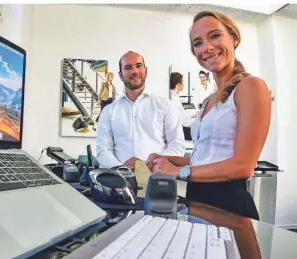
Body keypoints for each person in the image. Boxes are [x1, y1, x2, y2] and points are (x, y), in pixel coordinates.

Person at [146, 11, 271, 220]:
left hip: (228, 205)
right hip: (198, 200)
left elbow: (243, 166)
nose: (207, 47)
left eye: (214, 36)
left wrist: (178, 172)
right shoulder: (208, 101)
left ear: (234, 38)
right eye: (198, 43)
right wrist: (169, 160)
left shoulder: (250, 86)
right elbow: (203, 160)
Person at [96, 51, 186, 169]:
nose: (134, 71)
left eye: (139, 66)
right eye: (128, 68)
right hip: (120, 181)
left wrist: (145, 166)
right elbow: (103, 150)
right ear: (120, 75)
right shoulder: (109, 111)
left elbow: (177, 146)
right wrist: (122, 170)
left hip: (158, 180)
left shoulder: (165, 105)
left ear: (146, 71)